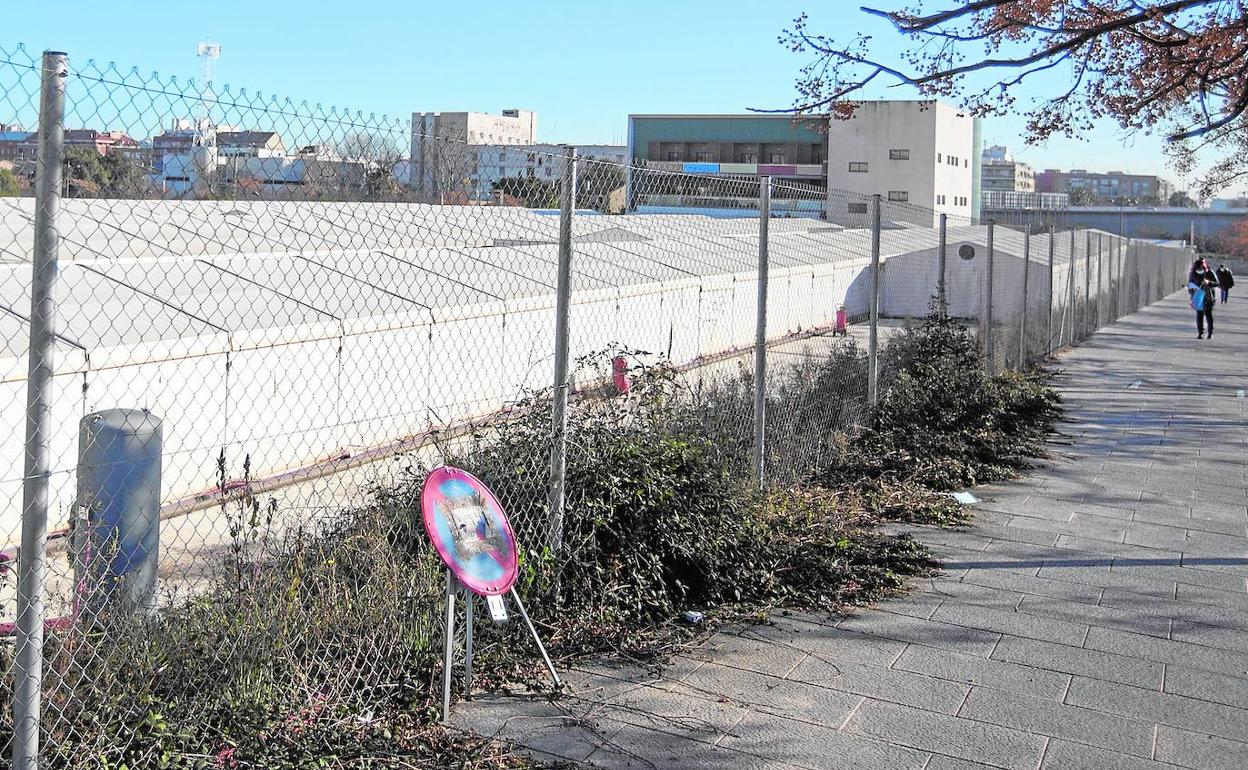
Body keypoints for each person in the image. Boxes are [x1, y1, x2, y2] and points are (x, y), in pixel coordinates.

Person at [1188, 259, 1217, 338]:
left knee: (1208, 315)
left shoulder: (1210, 272)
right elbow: (1190, 284)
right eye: (1198, 268)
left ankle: (1210, 333)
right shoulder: (1193, 273)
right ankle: (1200, 333)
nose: (1200, 270)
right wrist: (1193, 290)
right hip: (1198, 296)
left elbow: (1217, 283)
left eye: (1201, 268)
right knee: (1199, 315)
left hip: (1208, 296)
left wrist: (1209, 282)